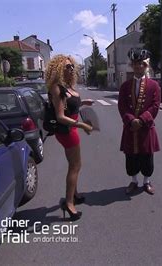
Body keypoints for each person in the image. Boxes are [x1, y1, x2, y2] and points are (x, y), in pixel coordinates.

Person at [45, 54, 94, 221]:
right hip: (67, 130)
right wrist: (82, 125)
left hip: (71, 128)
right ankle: (69, 203)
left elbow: (70, 106)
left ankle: (74, 194)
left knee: (74, 164)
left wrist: (84, 102)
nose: (71, 68)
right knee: (75, 166)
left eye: (72, 65)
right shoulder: (56, 88)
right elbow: (60, 116)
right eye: (67, 66)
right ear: (58, 68)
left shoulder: (66, 86)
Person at [118, 48, 161, 195]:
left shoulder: (154, 86)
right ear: (132, 65)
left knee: (147, 157)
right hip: (130, 128)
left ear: (146, 66)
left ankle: (146, 182)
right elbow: (122, 106)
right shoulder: (124, 86)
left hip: (146, 127)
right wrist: (131, 120)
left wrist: (142, 120)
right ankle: (134, 181)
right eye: (135, 63)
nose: (138, 66)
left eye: (141, 63)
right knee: (131, 157)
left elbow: (155, 106)